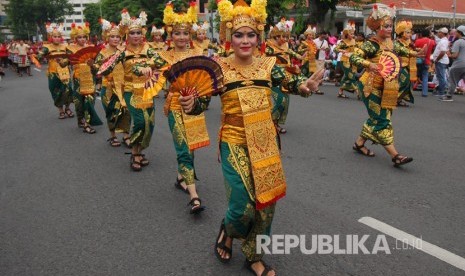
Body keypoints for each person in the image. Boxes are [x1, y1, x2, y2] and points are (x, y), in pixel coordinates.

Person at [175, 0, 323, 274]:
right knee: (242, 205)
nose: (245, 40)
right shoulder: (217, 67)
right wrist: (190, 105)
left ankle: (254, 256)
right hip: (233, 141)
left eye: (250, 34)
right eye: (239, 35)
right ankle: (228, 230)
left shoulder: (269, 65)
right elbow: (201, 103)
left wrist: (305, 86)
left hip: (265, 140)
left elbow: (292, 83)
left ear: (259, 37)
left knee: (266, 204)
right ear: (229, 37)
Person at [136, 3, 208, 213]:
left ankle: (181, 177)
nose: (182, 37)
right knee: (184, 149)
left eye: (185, 33)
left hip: (195, 105)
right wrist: (145, 69)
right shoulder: (164, 56)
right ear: (171, 34)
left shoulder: (199, 53)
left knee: (192, 147)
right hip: (175, 106)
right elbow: (143, 65)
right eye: (177, 33)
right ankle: (194, 196)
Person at [350, 4, 413, 167]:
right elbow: (354, 57)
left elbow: (403, 49)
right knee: (382, 120)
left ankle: (359, 144)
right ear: (377, 27)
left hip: (388, 87)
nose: (389, 29)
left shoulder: (391, 43)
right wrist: (367, 64)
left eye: (390, 26)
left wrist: (416, 53)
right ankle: (395, 155)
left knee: (378, 117)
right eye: (386, 26)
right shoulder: (371, 44)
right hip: (370, 86)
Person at [98, 10, 155, 171]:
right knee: (139, 122)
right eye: (132, 33)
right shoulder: (122, 52)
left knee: (149, 124)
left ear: (142, 33)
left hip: (147, 90)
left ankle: (140, 150)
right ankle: (135, 153)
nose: (136, 36)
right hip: (130, 90)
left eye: (138, 32)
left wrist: (147, 66)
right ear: (127, 35)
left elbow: (160, 60)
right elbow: (105, 67)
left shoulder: (148, 49)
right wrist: (94, 66)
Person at [93, 19, 131, 147]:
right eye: (112, 37)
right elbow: (97, 69)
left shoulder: (124, 50)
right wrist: (94, 66)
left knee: (126, 111)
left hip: (123, 85)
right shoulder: (103, 52)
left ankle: (126, 135)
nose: (115, 39)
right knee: (111, 112)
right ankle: (113, 136)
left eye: (118, 37)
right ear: (107, 38)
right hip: (108, 86)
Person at [265, 18, 302, 134]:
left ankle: (275, 123)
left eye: (287, 37)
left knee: (285, 102)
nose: (285, 39)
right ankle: (270, 123)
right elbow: (262, 57)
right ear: (276, 36)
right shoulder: (268, 46)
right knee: (280, 101)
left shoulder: (285, 45)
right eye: (283, 37)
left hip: (287, 75)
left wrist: (299, 56)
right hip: (274, 76)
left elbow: (290, 53)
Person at [66, 22, 102, 134]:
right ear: (75, 38)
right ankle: (81, 120)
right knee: (79, 102)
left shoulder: (92, 49)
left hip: (90, 79)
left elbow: (98, 67)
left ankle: (87, 123)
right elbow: (66, 62)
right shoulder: (70, 49)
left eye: (84, 37)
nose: (82, 39)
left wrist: (92, 65)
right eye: (79, 37)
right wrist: (60, 61)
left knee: (89, 101)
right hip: (77, 79)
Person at [37, 23, 74, 119]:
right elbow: (39, 56)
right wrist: (39, 56)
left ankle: (68, 108)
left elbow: (71, 57)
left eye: (58, 36)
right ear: (51, 37)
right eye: (55, 37)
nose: (57, 38)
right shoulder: (47, 47)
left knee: (67, 90)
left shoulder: (65, 46)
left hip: (65, 71)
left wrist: (64, 60)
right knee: (55, 91)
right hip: (53, 73)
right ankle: (60, 110)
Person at [394, 20, 423, 107]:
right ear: (402, 33)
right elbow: (402, 50)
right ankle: (394, 99)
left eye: (410, 32)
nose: (410, 34)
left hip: (408, 65)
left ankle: (398, 100)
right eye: (407, 32)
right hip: (400, 65)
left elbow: (411, 49)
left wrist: (418, 50)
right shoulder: (397, 43)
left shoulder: (408, 42)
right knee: (403, 82)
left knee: (408, 84)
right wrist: (414, 53)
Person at [334, 22, 359, 98]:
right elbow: (335, 49)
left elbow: (357, 49)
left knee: (346, 77)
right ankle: (358, 93)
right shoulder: (343, 42)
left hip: (353, 60)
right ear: (347, 34)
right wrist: (342, 51)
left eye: (353, 33)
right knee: (351, 76)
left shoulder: (354, 41)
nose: (352, 35)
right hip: (345, 61)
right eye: (351, 34)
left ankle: (340, 92)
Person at [299, 25, 323, 94]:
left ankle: (315, 88)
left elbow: (315, 50)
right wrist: (306, 49)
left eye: (312, 35)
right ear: (306, 35)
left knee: (313, 74)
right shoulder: (304, 42)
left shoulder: (313, 43)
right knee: (304, 74)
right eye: (309, 35)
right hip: (306, 59)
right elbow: (299, 50)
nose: (311, 36)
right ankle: (303, 87)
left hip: (312, 60)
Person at [444, 25, 465, 101]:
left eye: (456, 31)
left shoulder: (458, 42)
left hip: (458, 65)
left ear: (459, 32)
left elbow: (455, 55)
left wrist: (449, 54)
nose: (455, 33)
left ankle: (448, 96)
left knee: (452, 81)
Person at [414, 29, 435, 97]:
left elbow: (414, 49)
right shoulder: (432, 41)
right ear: (429, 34)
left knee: (413, 75)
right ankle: (424, 92)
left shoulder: (417, 41)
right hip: (427, 60)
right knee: (425, 76)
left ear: (421, 34)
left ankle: (409, 91)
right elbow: (434, 48)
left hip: (417, 60)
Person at [432, 27, 450, 97]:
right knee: (441, 76)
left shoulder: (443, 41)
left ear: (442, 33)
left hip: (441, 61)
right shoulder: (443, 40)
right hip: (441, 61)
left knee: (441, 77)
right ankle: (441, 91)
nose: (438, 33)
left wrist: (437, 59)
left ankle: (441, 92)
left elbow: (442, 52)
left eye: (439, 32)